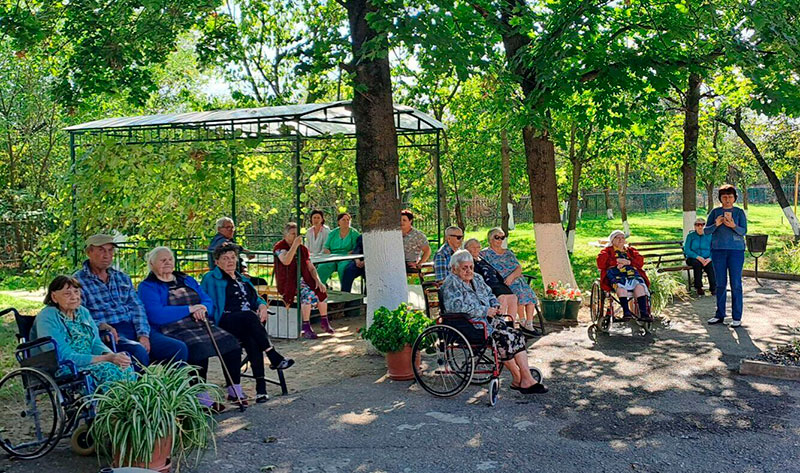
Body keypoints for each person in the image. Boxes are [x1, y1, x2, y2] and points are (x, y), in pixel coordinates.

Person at [138, 247, 244, 410]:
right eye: (163, 260)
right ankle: (201, 397)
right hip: (172, 328)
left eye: (170, 259)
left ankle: (234, 390)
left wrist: (202, 307)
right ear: (152, 264)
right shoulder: (148, 286)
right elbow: (155, 314)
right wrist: (189, 309)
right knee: (198, 348)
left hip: (199, 323)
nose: (168, 263)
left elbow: (206, 299)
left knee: (232, 344)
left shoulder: (186, 279)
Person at [440, 250, 547, 394]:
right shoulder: (451, 283)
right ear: (454, 268)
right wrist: (484, 311)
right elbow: (456, 307)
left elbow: (490, 294)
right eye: (464, 267)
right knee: (505, 338)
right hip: (469, 325)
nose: (469, 271)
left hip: (488, 322)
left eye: (471, 267)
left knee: (516, 335)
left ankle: (522, 378)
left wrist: (495, 305)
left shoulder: (476, 278)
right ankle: (521, 378)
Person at [75, 234, 189, 368]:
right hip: (109, 333)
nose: (107, 255)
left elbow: (137, 308)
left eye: (110, 250)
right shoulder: (78, 281)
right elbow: (79, 316)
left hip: (132, 326)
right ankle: (138, 389)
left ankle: (172, 388)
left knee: (177, 348)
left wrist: (143, 334)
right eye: (101, 250)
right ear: (89, 252)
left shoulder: (121, 277)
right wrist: (101, 326)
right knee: (137, 351)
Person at [202, 245, 294, 403]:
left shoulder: (242, 278)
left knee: (253, 340)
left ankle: (261, 390)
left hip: (246, 324)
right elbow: (204, 300)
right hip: (224, 321)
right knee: (250, 317)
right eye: (225, 258)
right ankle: (273, 355)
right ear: (217, 262)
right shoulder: (211, 278)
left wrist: (262, 305)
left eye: (232, 257)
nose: (230, 261)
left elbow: (256, 298)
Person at [32, 275, 134, 390]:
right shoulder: (47, 317)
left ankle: (129, 406)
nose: (74, 297)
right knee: (107, 370)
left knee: (125, 367)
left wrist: (112, 356)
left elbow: (95, 343)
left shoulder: (83, 312)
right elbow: (62, 356)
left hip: (91, 362)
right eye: (67, 293)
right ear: (54, 297)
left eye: (76, 291)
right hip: (65, 367)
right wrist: (106, 359)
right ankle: (110, 406)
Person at [274, 222, 332, 339]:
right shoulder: (280, 247)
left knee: (321, 292)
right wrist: (294, 246)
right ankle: (305, 326)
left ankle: (324, 321)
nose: (295, 237)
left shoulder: (303, 249)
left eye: (297, 234)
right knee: (308, 294)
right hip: (289, 281)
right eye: (292, 234)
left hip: (304, 279)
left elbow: (310, 267)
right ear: (285, 235)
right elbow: (286, 261)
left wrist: (318, 280)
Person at [480, 228, 541, 331]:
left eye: (502, 237)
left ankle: (529, 323)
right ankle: (522, 321)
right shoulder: (485, 254)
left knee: (530, 298)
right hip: (503, 283)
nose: (500, 240)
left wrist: (512, 276)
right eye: (497, 237)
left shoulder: (508, 252)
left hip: (517, 279)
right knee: (521, 296)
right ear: (490, 239)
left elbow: (519, 268)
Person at [704, 184, 747, 327]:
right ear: (720, 199)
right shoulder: (715, 212)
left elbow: (743, 231)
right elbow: (705, 231)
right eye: (724, 197)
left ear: (734, 198)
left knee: (736, 284)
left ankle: (737, 317)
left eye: (730, 197)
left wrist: (733, 226)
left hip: (736, 251)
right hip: (718, 251)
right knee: (720, 284)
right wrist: (716, 224)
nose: (727, 199)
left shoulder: (739, 212)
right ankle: (720, 315)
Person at [596, 230, 652, 321]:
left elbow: (640, 261)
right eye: (618, 238)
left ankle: (644, 314)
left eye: (622, 238)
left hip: (632, 275)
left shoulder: (630, 250)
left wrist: (628, 262)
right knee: (620, 287)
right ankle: (626, 312)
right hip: (616, 275)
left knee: (639, 286)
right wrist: (616, 262)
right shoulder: (607, 251)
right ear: (612, 240)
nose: (621, 240)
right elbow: (601, 263)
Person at [464, 238, 518, 317]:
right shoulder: (469, 261)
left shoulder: (481, 259)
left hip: (497, 283)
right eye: (473, 247)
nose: (476, 249)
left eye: (478, 247)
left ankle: (511, 323)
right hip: (487, 285)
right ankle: (500, 322)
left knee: (513, 298)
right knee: (502, 298)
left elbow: (493, 270)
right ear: (467, 249)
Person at [317, 212, 360, 285]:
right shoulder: (333, 233)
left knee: (343, 268)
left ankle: (344, 291)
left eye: (348, 220)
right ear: (339, 222)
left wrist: (348, 254)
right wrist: (330, 255)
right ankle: (319, 289)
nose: (346, 221)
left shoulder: (354, 233)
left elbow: (356, 248)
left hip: (346, 257)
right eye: (344, 220)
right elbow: (326, 247)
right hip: (332, 256)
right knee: (322, 267)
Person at [684, 217, 716, 296]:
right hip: (693, 258)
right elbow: (687, 250)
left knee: (711, 265)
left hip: (707, 258)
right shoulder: (690, 236)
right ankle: (698, 288)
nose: (700, 227)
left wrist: (710, 258)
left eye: (702, 224)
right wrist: (697, 257)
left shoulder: (710, 236)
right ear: (695, 226)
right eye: (698, 225)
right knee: (697, 264)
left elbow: (714, 249)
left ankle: (714, 288)